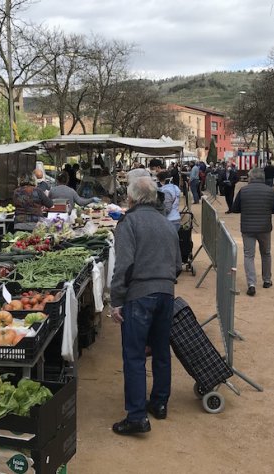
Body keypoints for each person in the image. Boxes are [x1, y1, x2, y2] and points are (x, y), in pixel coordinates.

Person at [109, 177, 181, 436]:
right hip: (166, 292)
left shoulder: (129, 222)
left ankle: (137, 416)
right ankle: (159, 403)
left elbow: (124, 266)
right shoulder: (166, 223)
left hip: (140, 295)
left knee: (134, 355)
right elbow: (177, 265)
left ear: (132, 198)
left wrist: (117, 300)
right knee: (161, 351)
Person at [230, 167, 274, 297]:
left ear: (250, 178)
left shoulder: (243, 191)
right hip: (264, 227)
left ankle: (251, 284)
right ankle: (267, 280)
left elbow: (235, 208)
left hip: (248, 228)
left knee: (249, 255)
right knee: (266, 253)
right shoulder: (270, 191)